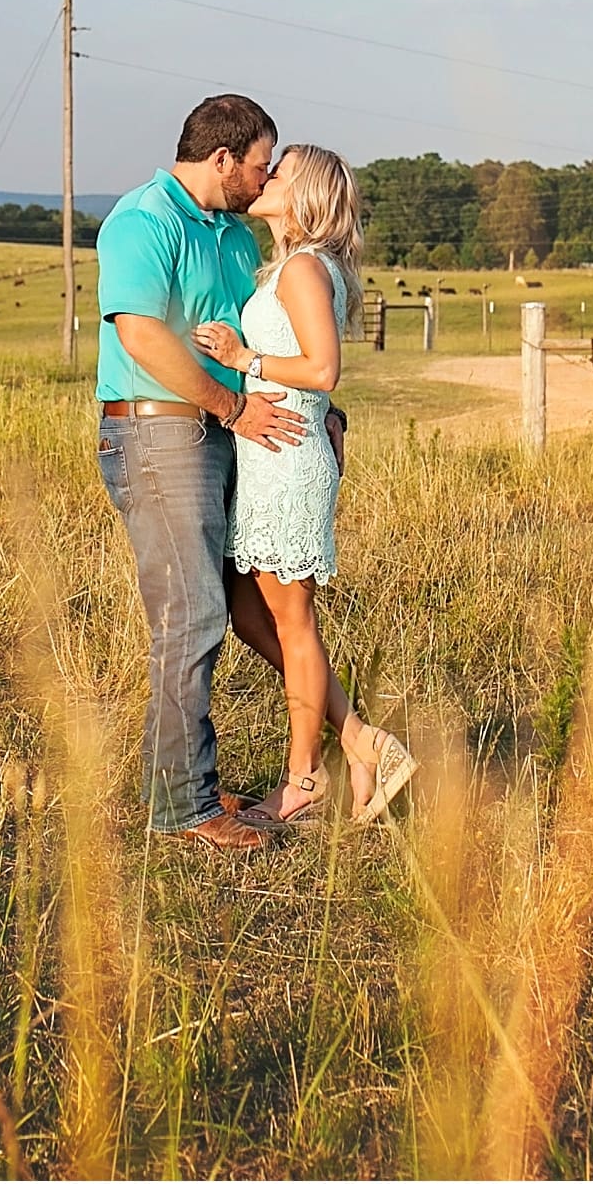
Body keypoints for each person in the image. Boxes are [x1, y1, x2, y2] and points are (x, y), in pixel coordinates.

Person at [93, 93, 315, 852]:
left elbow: (254, 340)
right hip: (161, 436)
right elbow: (142, 333)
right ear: (222, 159)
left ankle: (189, 775)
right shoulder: (143, 220)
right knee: (190, 617)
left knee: (224, 609)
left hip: (218, 433)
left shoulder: (227, 233)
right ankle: (183, 806)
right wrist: (229, 405)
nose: (265, 180)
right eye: (260, 166)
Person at [190, 144, 415, 828]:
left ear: (306, 194)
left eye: (278, 173)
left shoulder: (306, 266)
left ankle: (305, 779)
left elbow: (323, 369)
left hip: (288, 464)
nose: (265, 179)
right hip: (270, 456)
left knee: (291, 623)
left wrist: (241, 356)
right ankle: (360, 741)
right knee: (251, 614)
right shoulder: (293, 265)